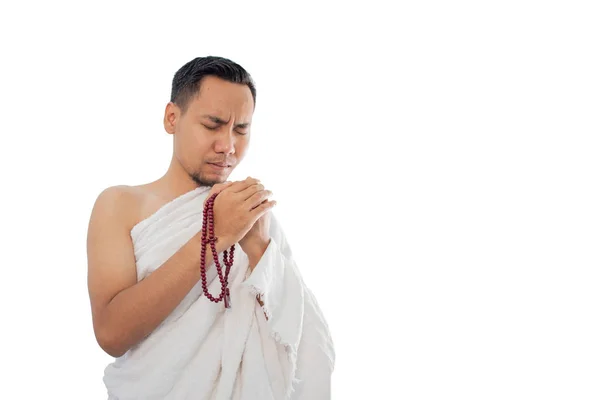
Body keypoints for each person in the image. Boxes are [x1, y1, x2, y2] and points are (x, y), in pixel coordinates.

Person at [86, 56, 335, 400]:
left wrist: (261, 250)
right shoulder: (121, 204)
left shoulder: (254, 214)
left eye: (241, 129)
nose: (228, 145)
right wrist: (214, 235)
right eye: (213, 124)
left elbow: (307, 344)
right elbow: (111, 334)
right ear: (172, 118)